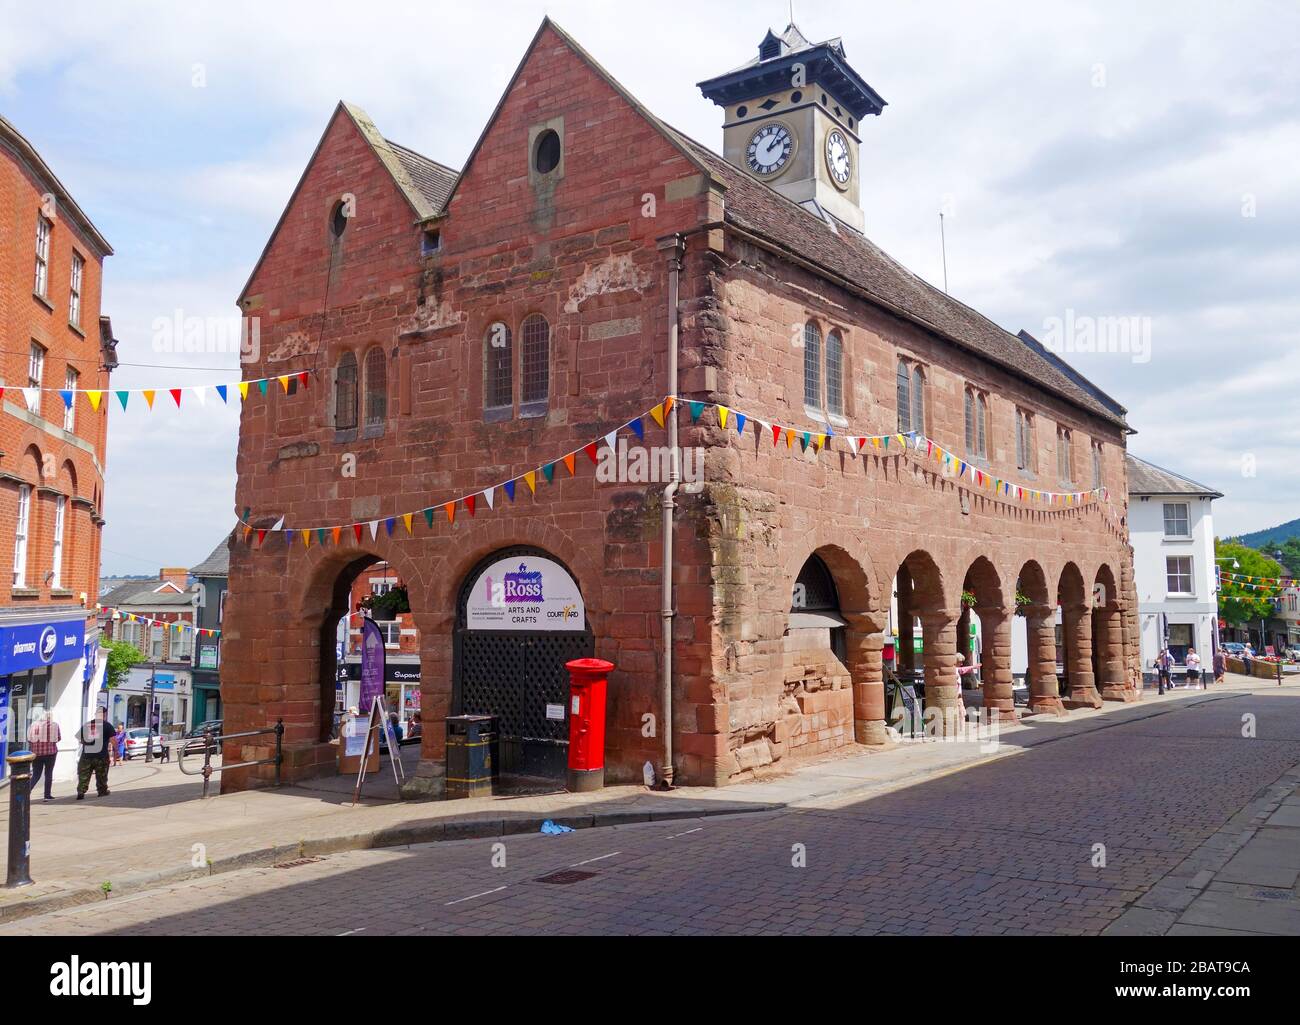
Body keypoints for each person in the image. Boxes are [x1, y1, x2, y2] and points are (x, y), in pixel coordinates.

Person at [76, 708, 117, 801]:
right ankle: (102, 791)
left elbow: (80, 739)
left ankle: (81, 791)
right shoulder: (107, 726)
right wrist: (116, 751)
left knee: (84, 775)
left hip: (86, 755)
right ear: (104, 714)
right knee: (101, 774)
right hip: (101, 755)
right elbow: (113, 740)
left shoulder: (87, 725)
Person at [27, 711, 60, 801]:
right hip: (50, 753)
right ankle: (47, 795)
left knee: (36, 775)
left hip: (36, 754)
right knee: (48, 773)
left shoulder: (33, 725)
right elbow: (58, 738)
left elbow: (29, 739)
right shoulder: (54, 725)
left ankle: (26, 792)